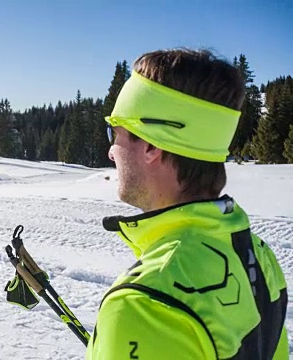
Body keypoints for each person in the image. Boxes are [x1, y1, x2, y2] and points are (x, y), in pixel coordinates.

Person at [85, 48, 288, 359]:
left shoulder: (143, 304)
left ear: (151, 144)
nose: (112, 151)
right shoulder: (258, 256)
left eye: (116, 130)